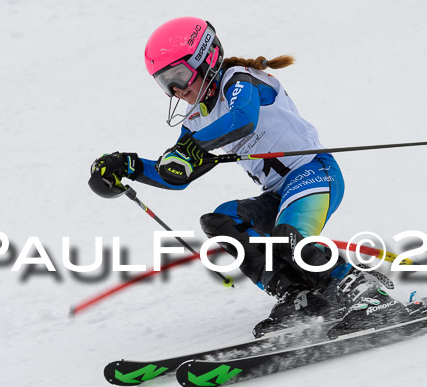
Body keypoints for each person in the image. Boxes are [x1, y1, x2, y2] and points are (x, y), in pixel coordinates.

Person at [89, 17, 392, 337]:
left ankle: (369, 295)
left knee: (289, 233)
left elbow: (242, 119)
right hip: (278, 192)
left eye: (178, 75)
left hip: (314, 172)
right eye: (165, 82)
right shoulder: (195, 120)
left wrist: (195, 146)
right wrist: (130, 166)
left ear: (205, 59)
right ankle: (299, 297)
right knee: (220, 221)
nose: (175, 89)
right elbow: (177, 175)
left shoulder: (239, 79)